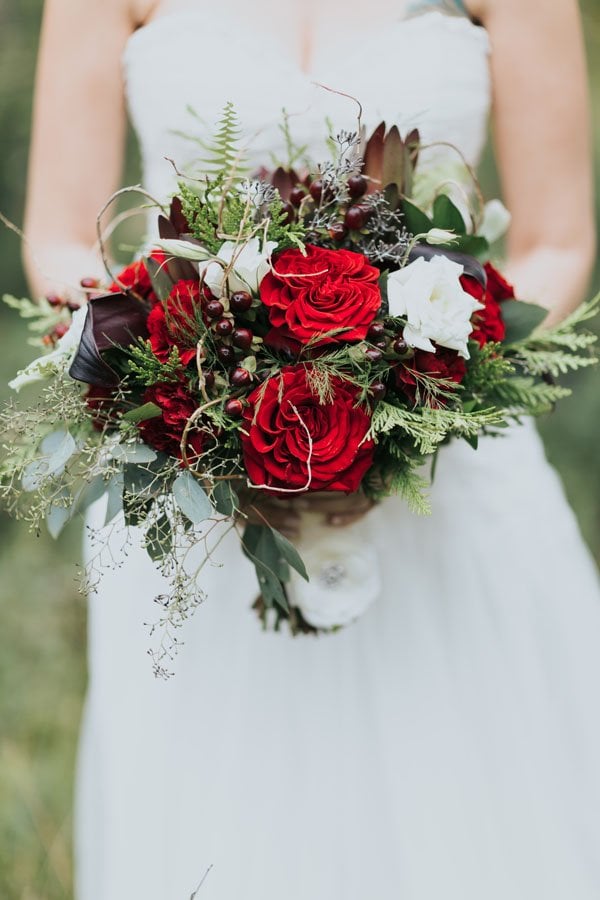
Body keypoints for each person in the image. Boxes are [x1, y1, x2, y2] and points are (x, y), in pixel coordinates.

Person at [23, 1, 600, 898]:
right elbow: (59, 240)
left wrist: (419, 392)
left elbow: (559, 242)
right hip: (200, 496)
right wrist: (192, 391)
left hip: (450, 485)